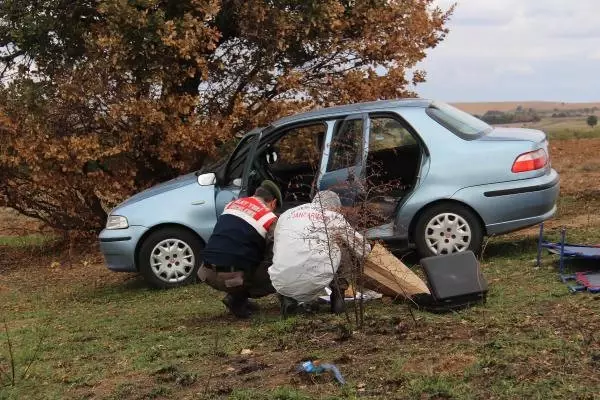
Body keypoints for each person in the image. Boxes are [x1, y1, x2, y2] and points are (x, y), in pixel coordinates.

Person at [268, 190, 371, 316]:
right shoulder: (333, 217)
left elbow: (276, 243)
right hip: (315, 279)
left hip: (280, 280)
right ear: (335, 207)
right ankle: (338, 297)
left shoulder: (286, 214)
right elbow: (363, 248)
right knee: (343, 247)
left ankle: (288, 299)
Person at [198, 180, 282, 319]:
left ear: (255, 195)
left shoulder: (232, 205)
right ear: (273, 203)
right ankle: (237, 298)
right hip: (232, 278)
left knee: (240, 250)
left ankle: (237, 297)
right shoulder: (269, 218)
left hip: (206, 272)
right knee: (279, 268)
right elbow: (274, 255)